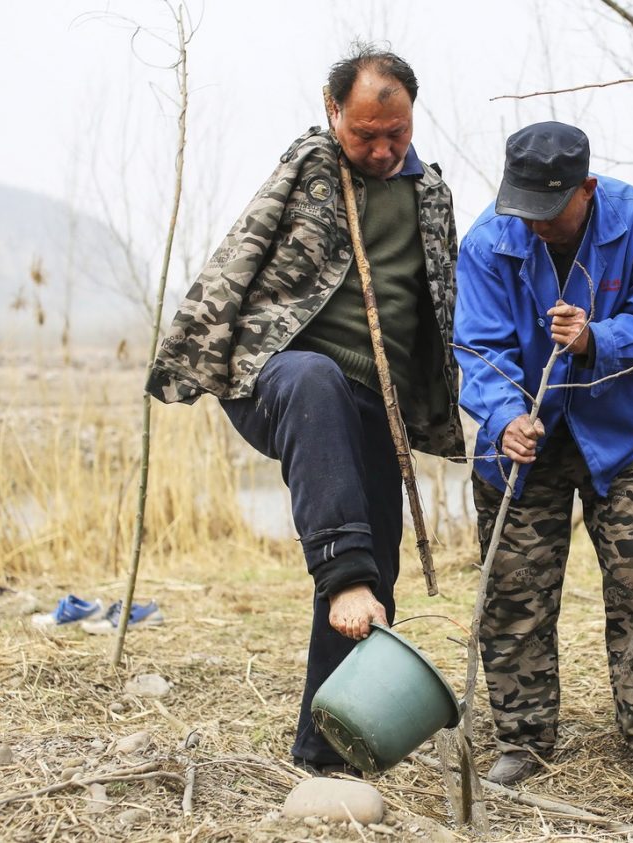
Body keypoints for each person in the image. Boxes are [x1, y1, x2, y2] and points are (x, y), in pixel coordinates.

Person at [146, 44, 463, 776]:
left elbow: (443, 309)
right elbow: (241, 251)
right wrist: (192, 351)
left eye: (397, 133)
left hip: (373, 403)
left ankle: (327, 751)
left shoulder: (433, 198)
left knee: (375, 574)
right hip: (280, 379)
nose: (381, 149)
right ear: (332, 113)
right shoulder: (312, 168)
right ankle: (342, 571)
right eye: (364, 133)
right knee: (317, 380)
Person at [453, 121, 633, 785]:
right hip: (523, 448)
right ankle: (523, 740)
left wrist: (595, 339)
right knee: (514, 592)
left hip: (620, 436)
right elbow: (477, 347)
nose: (535, 225)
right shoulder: (487, 242)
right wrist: (503, 419)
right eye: (523, 209)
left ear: (585, 188)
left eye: (549, 211)